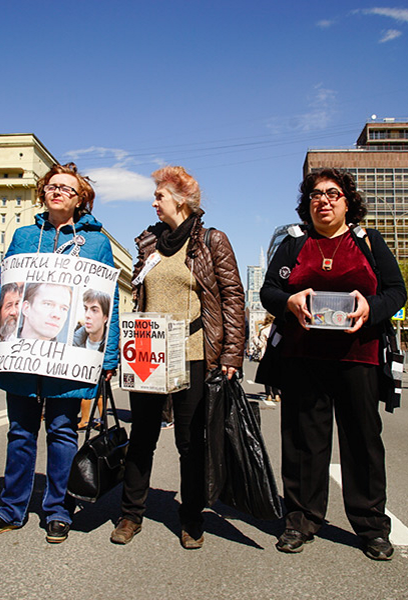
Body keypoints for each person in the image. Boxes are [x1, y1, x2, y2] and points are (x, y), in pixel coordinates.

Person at [0, 163, 120, 544]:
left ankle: (58, 510)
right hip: (24, 352)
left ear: (80, 200)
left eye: (66, 189)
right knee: (20, 432)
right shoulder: (24, 236)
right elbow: (4, 287)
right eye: (52, 186)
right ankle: (11, 509)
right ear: (43, 192)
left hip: (68, 356)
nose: (57, 192)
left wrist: (108, 357)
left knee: (61, 431)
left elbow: (109, 300)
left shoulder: (96, 243)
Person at [260, 167, 406, 560]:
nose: (323, 200)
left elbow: (397, 292)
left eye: (332, 194)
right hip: (302, 358)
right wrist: (287, 302)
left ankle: (372, 526)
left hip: (358, 358)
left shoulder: (369, 242)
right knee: (303, 444)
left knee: (362, 443)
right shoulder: (293, 245)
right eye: (315, 195)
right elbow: (268, 291)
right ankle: (300, 519)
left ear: (347, 202)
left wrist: (371, 308)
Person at [110, 166, 245, 550]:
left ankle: (191, 517)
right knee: (142, 437)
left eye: (160, 196)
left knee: (190, 442)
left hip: (192, 354)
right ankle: (130, 514)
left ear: (181, 200)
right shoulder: (149, 242)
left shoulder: (211, 241)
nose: (154, 202)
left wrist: (231, 353)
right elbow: (139, 296)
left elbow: (233, 297)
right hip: (147, 355)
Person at [73, 289, 111, 430]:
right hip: (84, 363)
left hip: (100, 362)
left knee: (101, 392)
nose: (88, 315)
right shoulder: (78, 336)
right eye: (86, 309)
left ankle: (101, 420)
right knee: (86, 392)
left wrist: (110, 362)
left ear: (105, 317)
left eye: (94, 310)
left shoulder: (107, 335)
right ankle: (85, 420)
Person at [257, 314, 281, 402]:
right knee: (276, 374)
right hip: (276, 354)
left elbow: (260, 345)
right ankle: (277, 394)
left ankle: (269, 395)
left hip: (265, 354)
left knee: (267, 375)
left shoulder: (263, 330)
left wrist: (255, 340)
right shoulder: (278, 327)